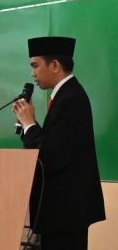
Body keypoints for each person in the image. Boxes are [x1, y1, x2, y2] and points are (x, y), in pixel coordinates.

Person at [11, 36, 105, 250]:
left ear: (54, 65)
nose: (32, 73)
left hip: (66, 212)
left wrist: (30, 125)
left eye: (35, 65)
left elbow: (53, 157)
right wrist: (29, 126)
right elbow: (53, 147)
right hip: (62, 213)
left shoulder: (71, 98)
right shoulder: (65, 95)